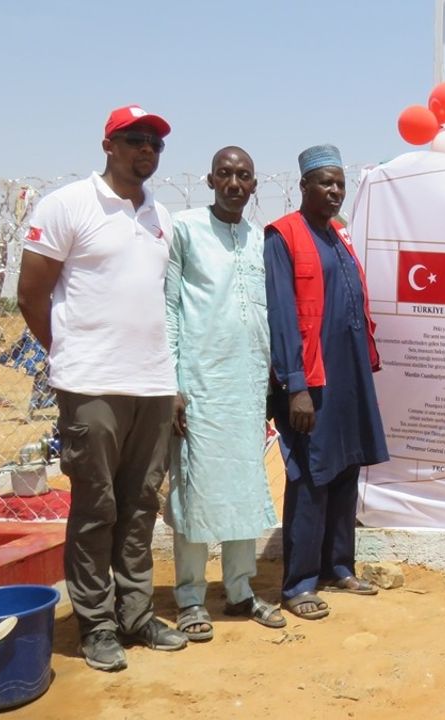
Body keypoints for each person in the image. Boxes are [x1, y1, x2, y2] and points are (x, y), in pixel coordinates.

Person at [16, 104, 186, 671]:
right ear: (107, 145)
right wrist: (69, 355)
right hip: (91, 384)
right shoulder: (67, 205)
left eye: (155, 143)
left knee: (141, 504)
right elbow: (31, 294)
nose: (147, 150)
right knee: (97, 506)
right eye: (135, 139)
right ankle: (97, 624)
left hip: (153, 385)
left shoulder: (158, 216)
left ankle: (136, 614)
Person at [164, 146, 285, 641]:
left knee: (242, 487)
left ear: (254, 185)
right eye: (226, 174)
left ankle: (239, 589)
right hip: (199, 384)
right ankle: (190, 596)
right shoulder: (185, 228)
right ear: (211, 179)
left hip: (248, 384)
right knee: (194, 490)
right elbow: (169, 306)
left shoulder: (261, 240)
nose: (235, 183)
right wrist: (172, 384)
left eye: (244, 176)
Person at [265, 144, 389, 621]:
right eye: (325, 182)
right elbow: (280, 315)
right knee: (311, 476)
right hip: (310, 381)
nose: (335, 190)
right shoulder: (284, 237)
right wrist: (294, 385)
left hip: (348, 375)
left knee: (345, 469)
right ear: (304, 187)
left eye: (340, 183)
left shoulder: (339, 236)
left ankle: (340, 566)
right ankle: (299, 583)